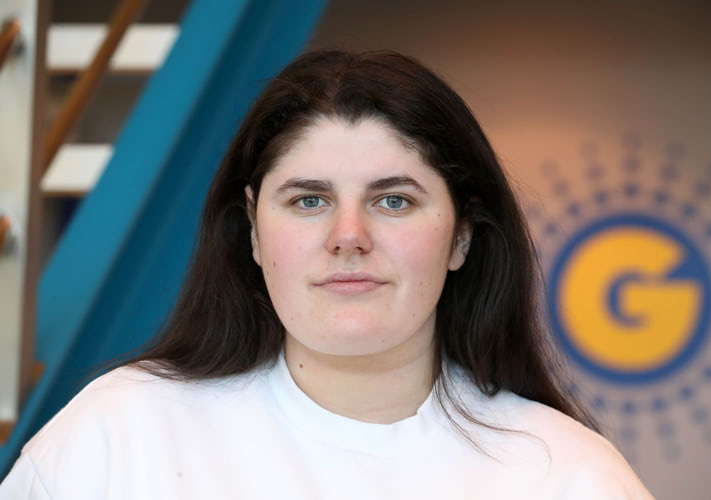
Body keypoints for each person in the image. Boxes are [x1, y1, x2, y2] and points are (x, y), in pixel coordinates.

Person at [0, 49, 653, 499]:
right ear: (253, 229)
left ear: (461, 236)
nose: (348, 236)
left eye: (393, 200)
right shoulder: (116, 436)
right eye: (309, 200)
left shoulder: (568, 476)